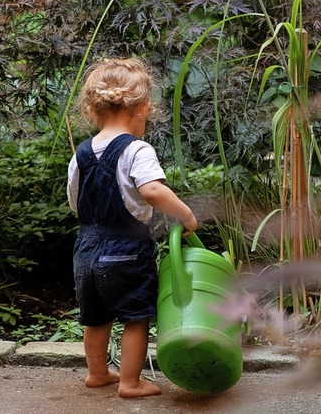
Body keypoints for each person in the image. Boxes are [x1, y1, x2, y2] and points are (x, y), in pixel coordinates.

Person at [67, 57, 198, 398]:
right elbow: (152, 191)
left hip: (85, 249)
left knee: (95, 318)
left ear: (93, 110)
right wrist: (186, 216)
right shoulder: (137, 149)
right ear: (142, 108)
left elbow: (74, 199)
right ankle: (130, 382)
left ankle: (97, 373)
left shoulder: (81, 152)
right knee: (135, 317)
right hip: (126, 251)